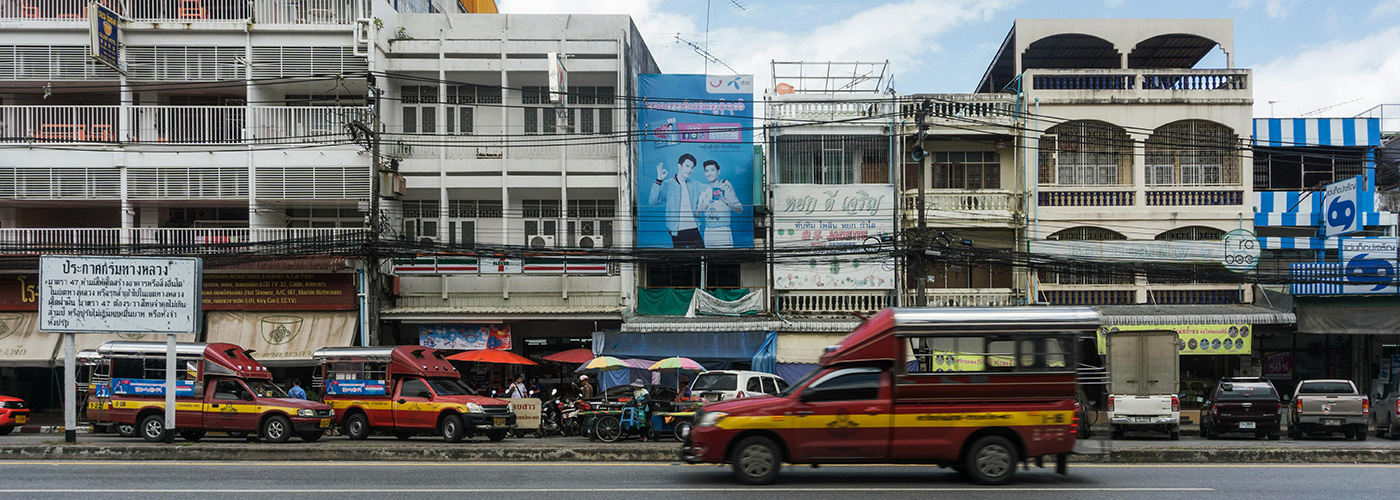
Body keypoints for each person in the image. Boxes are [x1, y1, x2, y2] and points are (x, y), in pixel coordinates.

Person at [647, 153, 706, 248]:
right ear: (679, 166)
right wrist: (659, 180)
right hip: (677, 231)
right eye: (687, 166)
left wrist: (723, 183)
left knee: (701, 258)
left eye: (692, 167)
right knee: (680, 260)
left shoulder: (695, 184)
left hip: (694, 228)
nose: (689, 170)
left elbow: (711, 188)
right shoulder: (667, 184)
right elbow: (652, 202)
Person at [696, 159, 742, 248]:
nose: (709, 173)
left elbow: (740, 209)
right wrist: (701, 208)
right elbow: (697, 214)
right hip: (708, 232)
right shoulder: (704, 192)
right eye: (706, 171)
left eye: (712, 170)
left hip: (723, 231)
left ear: (718, 171)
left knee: (724, 260)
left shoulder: (727, 188)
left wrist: (729, 203)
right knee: (710, 260)